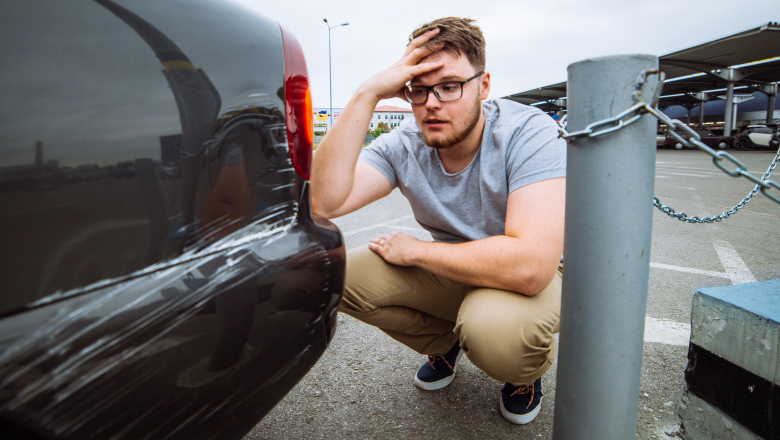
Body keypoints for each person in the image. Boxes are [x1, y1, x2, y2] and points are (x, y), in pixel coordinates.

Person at [310, 17, 566, 425]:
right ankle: (446, 343)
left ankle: (525, 376)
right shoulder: (404, 142)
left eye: (449, 86)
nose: (431, 103)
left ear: (483, 86)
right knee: (325, 276)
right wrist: (366, 93)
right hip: (455, 268)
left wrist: (418, 252)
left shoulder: (527, 131)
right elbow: (324, 201)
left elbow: (531, 266)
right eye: (419, 88)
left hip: (526, 279)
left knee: (494, 333)